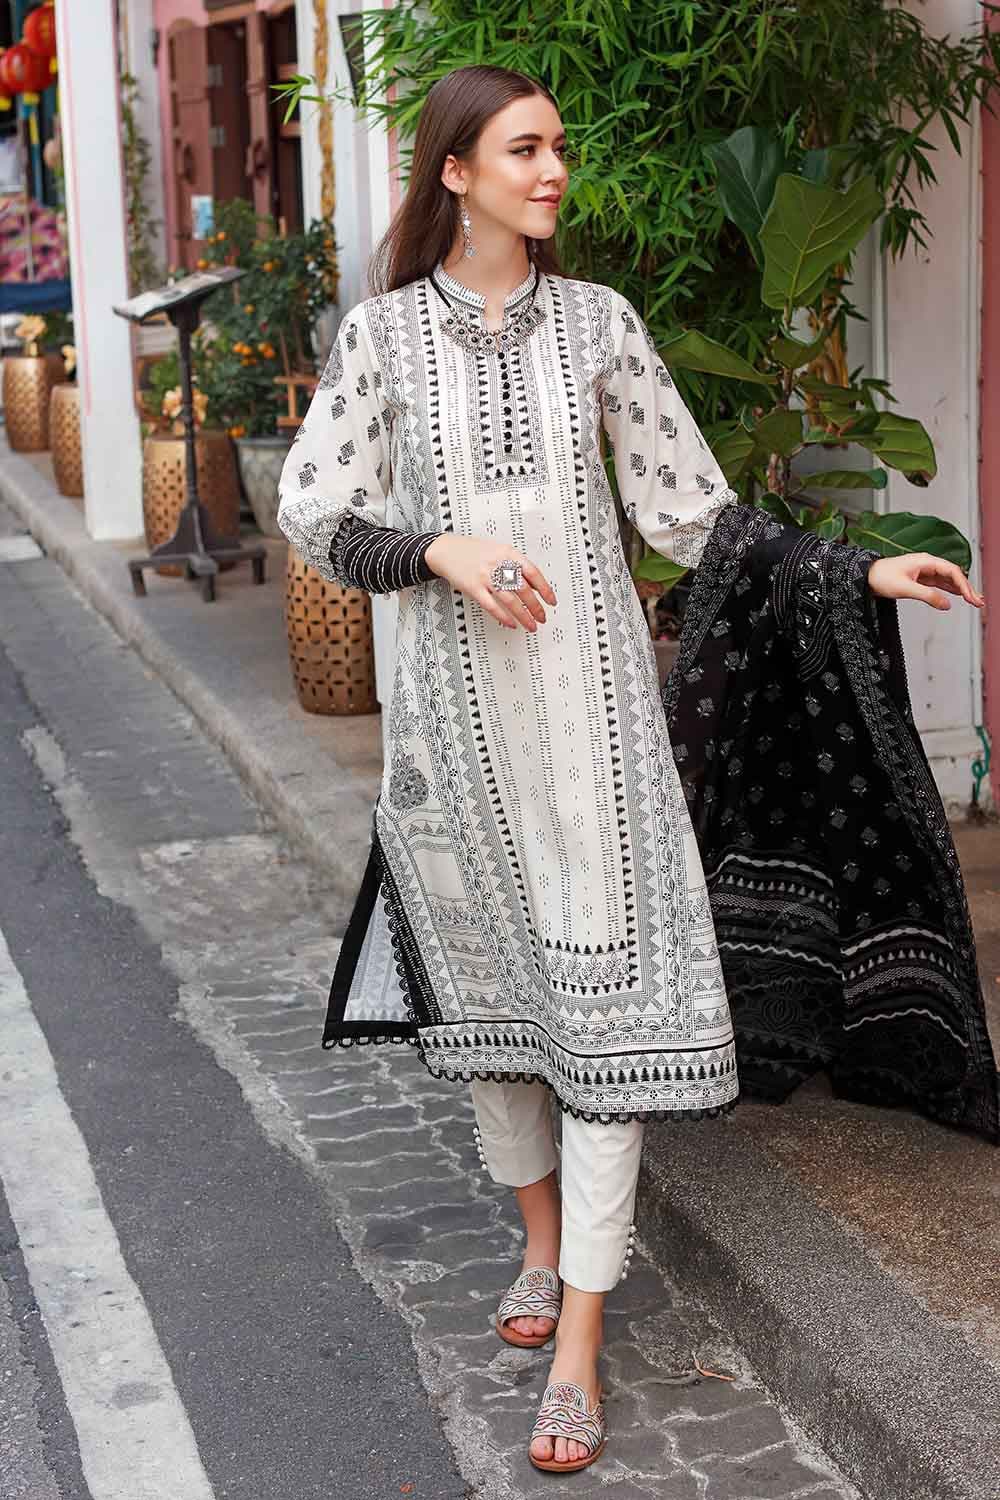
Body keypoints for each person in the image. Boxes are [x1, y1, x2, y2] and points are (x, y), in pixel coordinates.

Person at [277, 65, 996, 1475]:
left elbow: (698, 517)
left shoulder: (600, 325)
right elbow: (315, 506)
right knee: (495, 1010)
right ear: (457, 174)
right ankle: (540, 1247)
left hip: (597, 734)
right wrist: (438, 547)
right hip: (454, 739)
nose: (554, 170)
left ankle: (583, 1343)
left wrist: (860, 570)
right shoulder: (383, 341)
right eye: (525, 149)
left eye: (559, 147)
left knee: (604, 1021)